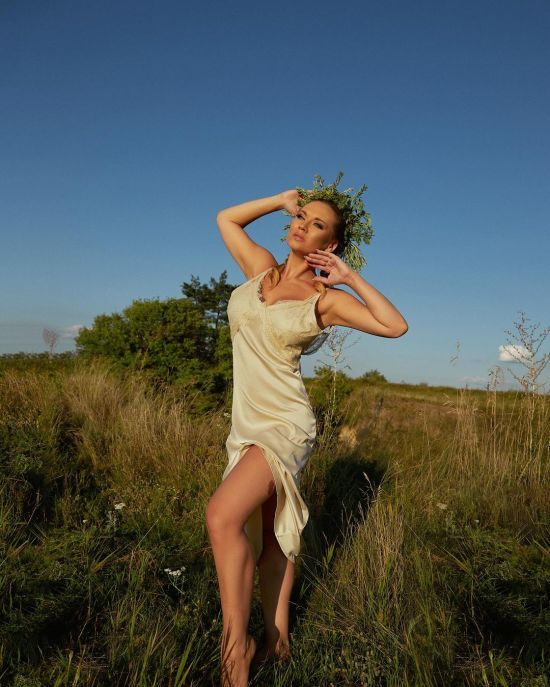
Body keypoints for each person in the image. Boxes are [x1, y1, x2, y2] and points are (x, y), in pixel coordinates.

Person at [205, 185, 408, 686]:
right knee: (272, 529)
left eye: (317, 224)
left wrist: (349, 277)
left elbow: (394, 326)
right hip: (245, 420)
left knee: (222, 515)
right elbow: (226, 218)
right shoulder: (260, 269)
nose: (302, 225)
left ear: (329, 245)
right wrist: (279, 200)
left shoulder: (326, 299)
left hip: (284, 424)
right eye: (301, 217)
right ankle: (278, 640)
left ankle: (235, 650)